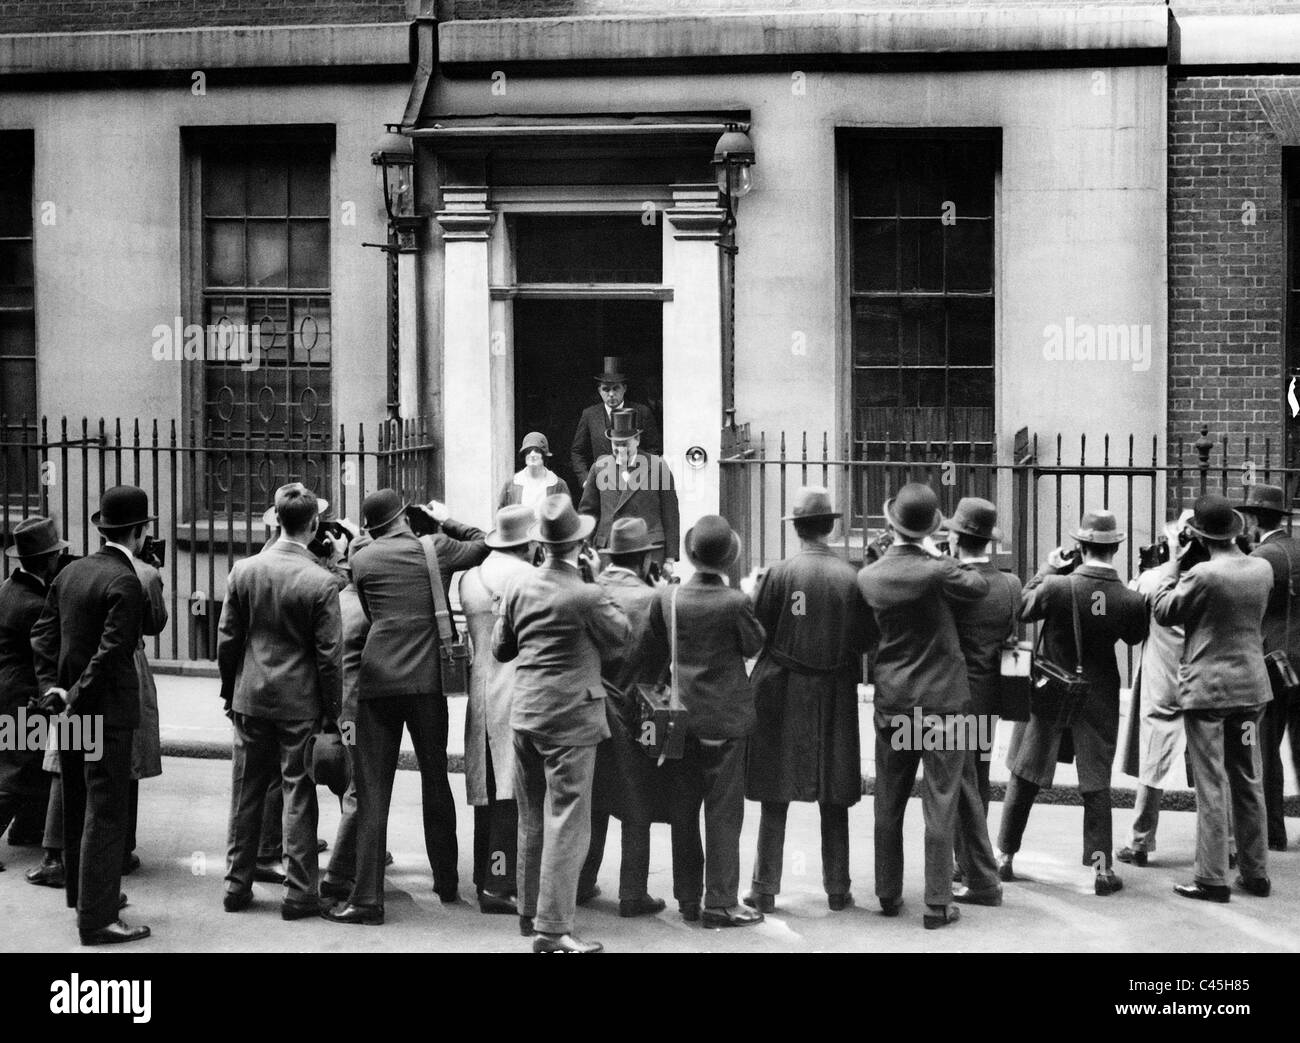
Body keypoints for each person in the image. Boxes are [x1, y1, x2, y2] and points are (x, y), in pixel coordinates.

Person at [324, 490, 473, 925]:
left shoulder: (363, 559)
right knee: (435, 779)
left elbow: (369, 611)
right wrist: (446, 519)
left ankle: (366, 898)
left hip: (377, 681)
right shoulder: (436, 549)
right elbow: (487, 541)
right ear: (406, 515)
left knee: (372, 792)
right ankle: (446, 881)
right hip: (427, 683)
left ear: (371, 526)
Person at [493, 494, 629, 953]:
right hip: (570, 718)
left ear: (540, 544)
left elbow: (501, 649)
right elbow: (621, 638)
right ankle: (553, 930)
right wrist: (595, 583)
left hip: (525, 713)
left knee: (531, 817)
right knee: (568, 822)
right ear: (580, 542)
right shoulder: (587, 593)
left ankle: (530, 913)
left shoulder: (519, 587)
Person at [857, 483, 996, 929]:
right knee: (941, 798)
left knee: (889, 799)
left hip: (895, 700)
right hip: (942, 703)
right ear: (933, 528)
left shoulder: (870, 576)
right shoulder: (939, 571)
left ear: (890, 522)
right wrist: (940, 553)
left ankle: (887, 891)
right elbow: (976, 586)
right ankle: (937, 902)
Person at [997, 508, 1148, 896]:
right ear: (1115, 547)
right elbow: (1134, 637)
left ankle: (1005, 858)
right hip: (1096, 694)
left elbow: (1022, 607)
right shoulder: (1128, 599)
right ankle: (1101, 870)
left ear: (1079, 546)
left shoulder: (1058, 587)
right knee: (1095, 782)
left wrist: (1048, 569)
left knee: (1026, 772)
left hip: (1051, 688)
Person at [30, 486, 151, 945]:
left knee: (79, 804)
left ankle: (86, 898)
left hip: (74, 712)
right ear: (138, 533)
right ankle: (98, 918)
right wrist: (76, 694)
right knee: (106, 814)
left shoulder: (72, 572)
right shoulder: (126, 582)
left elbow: (43, 635)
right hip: (106, 714)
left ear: (105, 530)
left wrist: (54, 691)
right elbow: (112, 653)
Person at [216, 482, 342, 920]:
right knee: (297, 793)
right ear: (313, 524)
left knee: (247, 792)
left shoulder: (244, 570)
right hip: (299, 702)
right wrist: (333, 713)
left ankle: (236, 883)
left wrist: (229, 691)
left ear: (276, 519)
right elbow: (330, 657)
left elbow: (228, 639)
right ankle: (300, 891)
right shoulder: (322, 582)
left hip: (250, 694)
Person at [742, 488, 870, 913]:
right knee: (834, 792)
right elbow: (864, 639)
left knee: (775, 791)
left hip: (783, 688)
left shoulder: (779, 574)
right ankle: (837, 887)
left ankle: (764, 887)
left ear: (796, 528)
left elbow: (756, 632)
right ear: (832, 526)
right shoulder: (851, 577)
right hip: (833, 691)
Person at [1150, 494, 1273, 902]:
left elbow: (1165, 610)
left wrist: (1171, 559)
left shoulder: (1202, 574)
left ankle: (1211, 878)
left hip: (1208, 694)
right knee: (1248, 778)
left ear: (1199, 536)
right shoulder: (1261, 569)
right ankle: (1256, 873)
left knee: (1211, 785)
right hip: (1251, 690)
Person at [650, 514, 766, 928]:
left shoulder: (669, 597)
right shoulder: (736, 601)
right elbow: (754, 645)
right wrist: (750, 594)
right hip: (726, 720)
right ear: (729, 557)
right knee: (723, 813)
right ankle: (720, 902)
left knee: (683, 811)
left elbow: (654, 649)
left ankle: (686, 897)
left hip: (680, 718)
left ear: (691, 553)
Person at [577, 517, 672, 917]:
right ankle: (633, 892)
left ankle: (581, 880)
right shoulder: (653, 598)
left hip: (592, 703)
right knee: (637, 802)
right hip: (637, 708)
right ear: (645, 557)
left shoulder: (591, 591)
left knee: (594, 798)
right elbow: (666, 658)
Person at [459, 504, 537, 914]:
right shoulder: (527, 578)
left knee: (487, 786)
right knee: (510, 788)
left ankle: (483, 872)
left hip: (481, 684)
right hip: (516, 687)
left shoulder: (470, 578)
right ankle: (500, 881)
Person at [944, 498, 1020, 887]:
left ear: (957, 537)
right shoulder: (1010, 585)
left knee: (957, 781)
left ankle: (968, 865)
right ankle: (972, 857)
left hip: (954, 695)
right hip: (989, 696)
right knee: (980, 777)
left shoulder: (953, 583)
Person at [1117, 510, 1199, 867]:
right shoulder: (1211, 576)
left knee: (1153, 760)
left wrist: (1148, 567)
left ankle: (1140, 841)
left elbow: (1130, 606)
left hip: (1162, 679)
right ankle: (1226, 843)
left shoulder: (1153, 580)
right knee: (1214, 765)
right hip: (1203, 680)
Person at [0, 518, 68, 874]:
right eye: (56, 554)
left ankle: (26, 829)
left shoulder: (10, 588)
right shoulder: (33, 604)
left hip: (9, 687)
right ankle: (24, 828)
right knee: (18, 768)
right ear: (47, 560)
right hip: (23, 693)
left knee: (29, 764)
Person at [1238, 483, 1300, 852]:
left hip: (1272, 663)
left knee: (1265, 748)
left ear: (1254, 519)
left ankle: (1272, 831)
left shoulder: (1263, 557)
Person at [319, 530, 377, 905]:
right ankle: (338, 876)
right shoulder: (370, 610)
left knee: (349, 781)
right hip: (356, 712)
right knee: (360, 788)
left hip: (332, 706)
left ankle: (356, 854)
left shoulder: (335, 600)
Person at [579, 407, 679, 569]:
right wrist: (586, 548)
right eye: (616, 444)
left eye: (625, 444)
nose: (620, 450)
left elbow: (670, 514)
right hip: (608, 550)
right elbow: (588, 513)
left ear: (637, 440)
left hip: (648, 550)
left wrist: (670, 559)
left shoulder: (658, 466)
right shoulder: (599, 468)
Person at [570, 355, 661, 489]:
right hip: (602, 486)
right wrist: (585, 480)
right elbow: (577, 452)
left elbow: (655, 449)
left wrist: (641, 475)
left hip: (635, 485)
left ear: (624, 388)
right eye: (606, 389)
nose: (611, 394)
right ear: (599, 390)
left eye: (616, 388)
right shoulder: (589, 415)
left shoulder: (641, 412)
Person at [499, 432, 569, 512]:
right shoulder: (512, 484)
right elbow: (501, 517)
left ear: (544, 455)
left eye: (537, 451)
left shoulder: (558, 484)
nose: (532, 455)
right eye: (528, 451)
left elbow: (566, 518)